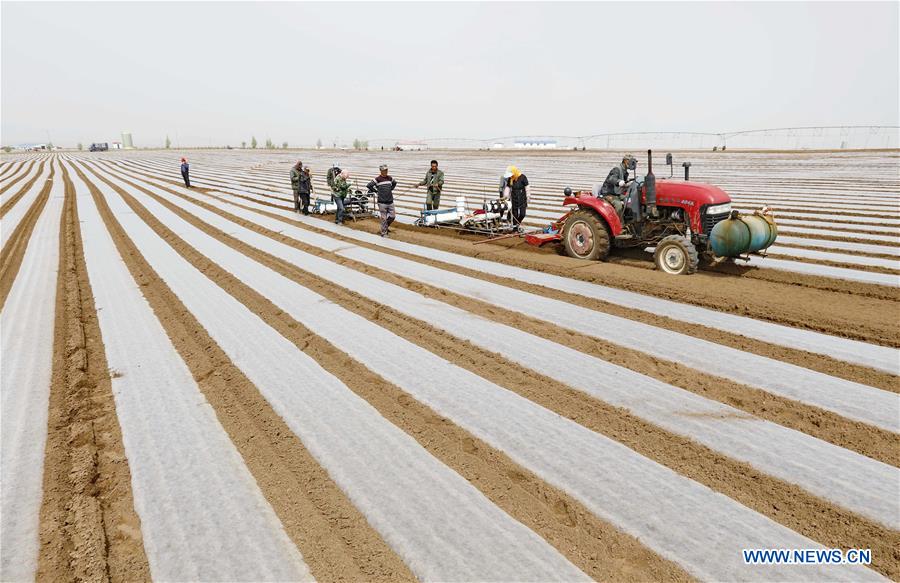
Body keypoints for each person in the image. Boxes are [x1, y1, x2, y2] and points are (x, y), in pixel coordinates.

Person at [367, 164, 397, 237]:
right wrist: (376, 191)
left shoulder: (390, 178)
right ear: (381, 171)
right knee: (383, 218)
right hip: (382, 202)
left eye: (386, 170)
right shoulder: (377, 179)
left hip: (390, 201)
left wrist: (391, 189)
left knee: (392, 216)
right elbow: (369, 185)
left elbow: (394, 183)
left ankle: (385, 227)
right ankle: (384, 233)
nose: (386, 171)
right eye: (384, 170)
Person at [498, 165, 529, 229]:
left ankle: (518, 223)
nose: (511, 176)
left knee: (522, 214)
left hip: (522, 198)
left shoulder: (523, 177)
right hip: (514, 198)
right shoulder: (511, 179)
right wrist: (505, 196)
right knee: (515, 214)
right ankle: (515, 228)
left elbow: (527, 187)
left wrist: (528, 196)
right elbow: (507, 188)